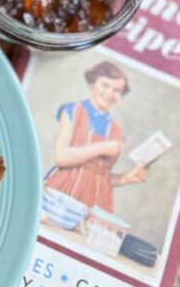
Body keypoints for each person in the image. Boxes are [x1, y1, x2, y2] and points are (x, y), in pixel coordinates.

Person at [44, 60, 148, 214]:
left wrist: (126, 178)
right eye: (105, 85)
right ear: (92, 83)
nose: (109, 93)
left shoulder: (118, 132)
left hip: (96, 202)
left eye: (117, 90)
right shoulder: (72, 110)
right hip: (62, 192)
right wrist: (101, 148)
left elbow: (100, 178)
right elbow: (61, 157)